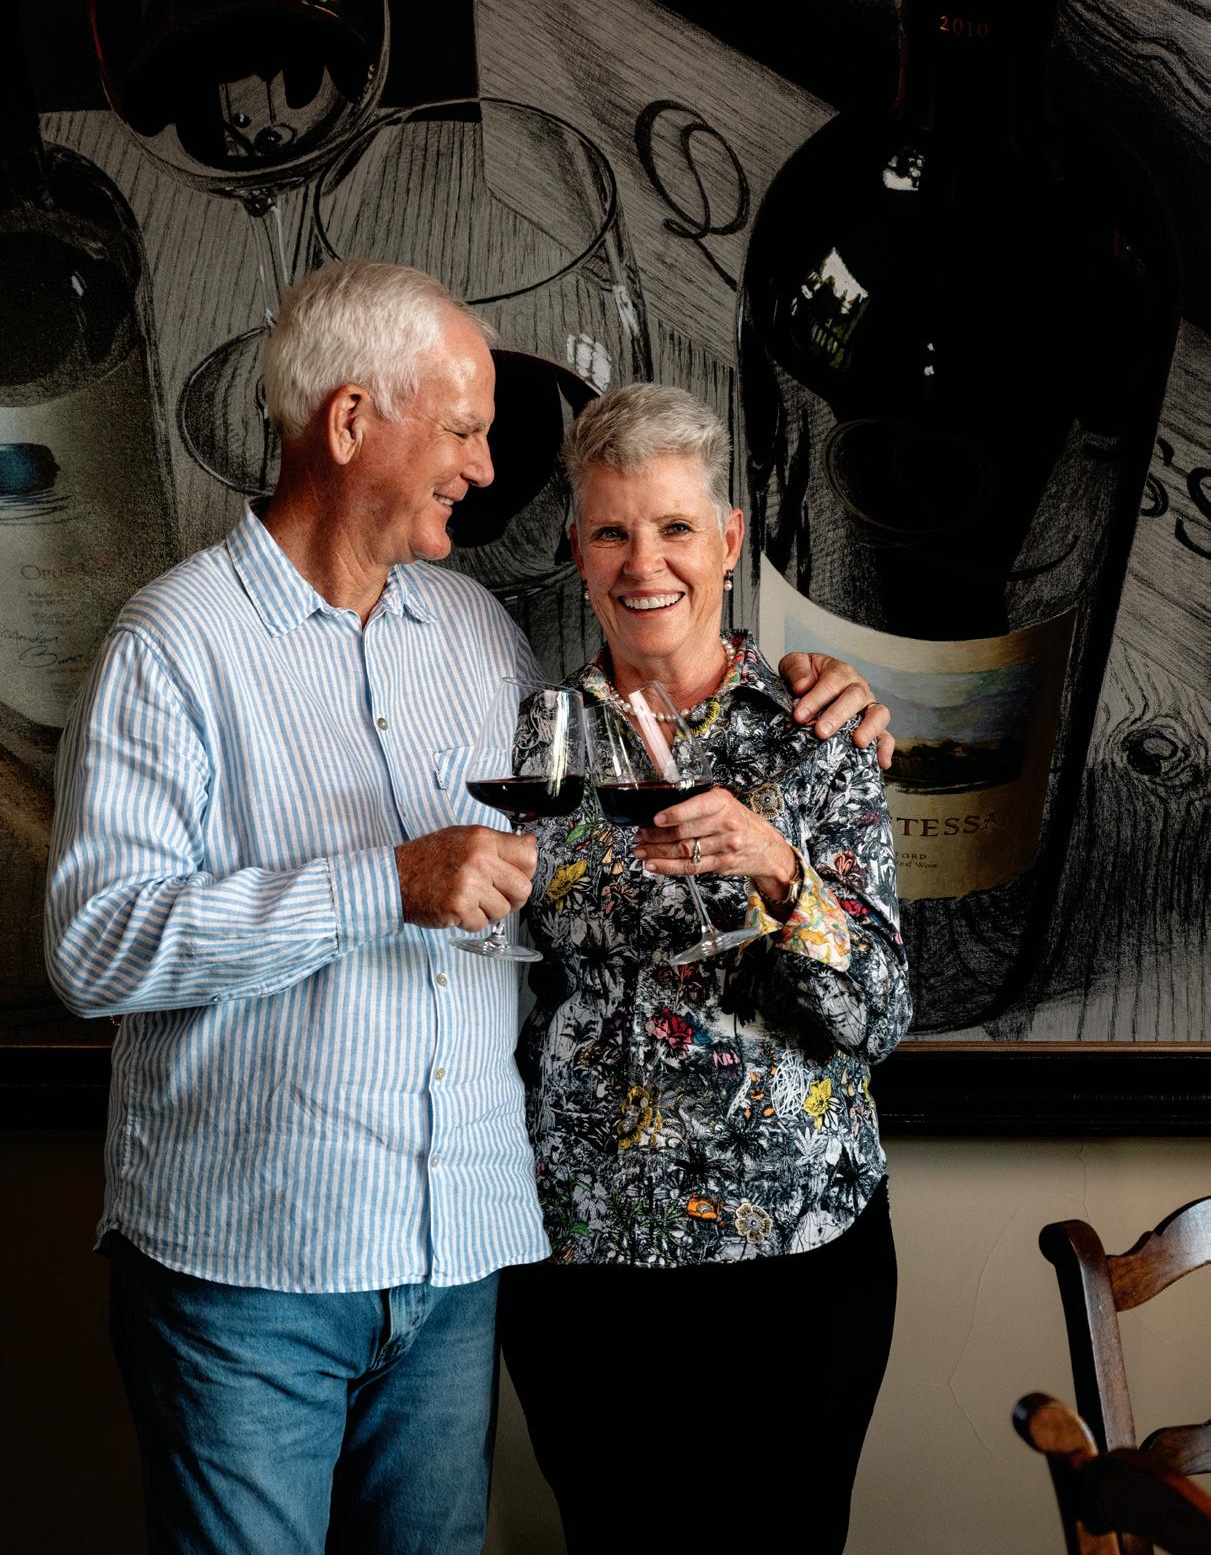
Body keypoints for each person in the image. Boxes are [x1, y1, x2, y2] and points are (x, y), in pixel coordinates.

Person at [43, 262, 891, 1555]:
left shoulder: (490, 643)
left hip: (523, 1264)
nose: (484, 467)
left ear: (728, 538)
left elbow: (861, 990)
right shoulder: (188, 647)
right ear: (349, 422)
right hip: (320, 1266)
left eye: (675, 529)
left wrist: (800, 791)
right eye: (462, 429)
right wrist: (382, 883)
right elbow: (95, 947)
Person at [498, 384, 913, 1554]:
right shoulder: (531, 738)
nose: (646, 564)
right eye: (612, 531)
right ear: (576, 549)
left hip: (793, 1257)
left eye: (675, 527)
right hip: (583, 1254)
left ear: (727, 540)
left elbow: (877, 1018)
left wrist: (780, 871)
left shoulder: (818, 733)